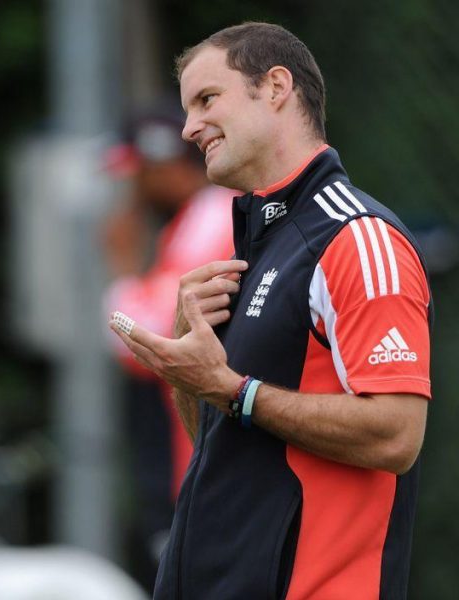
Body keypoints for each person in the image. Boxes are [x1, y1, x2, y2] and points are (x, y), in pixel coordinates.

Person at [110, 22, 431, 599]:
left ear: (276, 86)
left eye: (207, 100)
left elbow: (397, 434)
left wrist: (235, 390)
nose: (188, 128)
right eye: (186, 109)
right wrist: (196, 366)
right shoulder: (252, 245)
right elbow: (230, 444)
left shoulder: (358, 238)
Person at [102, 101, 234, 588]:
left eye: (136, 173)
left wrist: (120, 272)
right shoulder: (195, 221)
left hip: (213, 465)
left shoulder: (211, 217)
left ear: (163, 166)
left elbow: (146, 343)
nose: (129, 189)